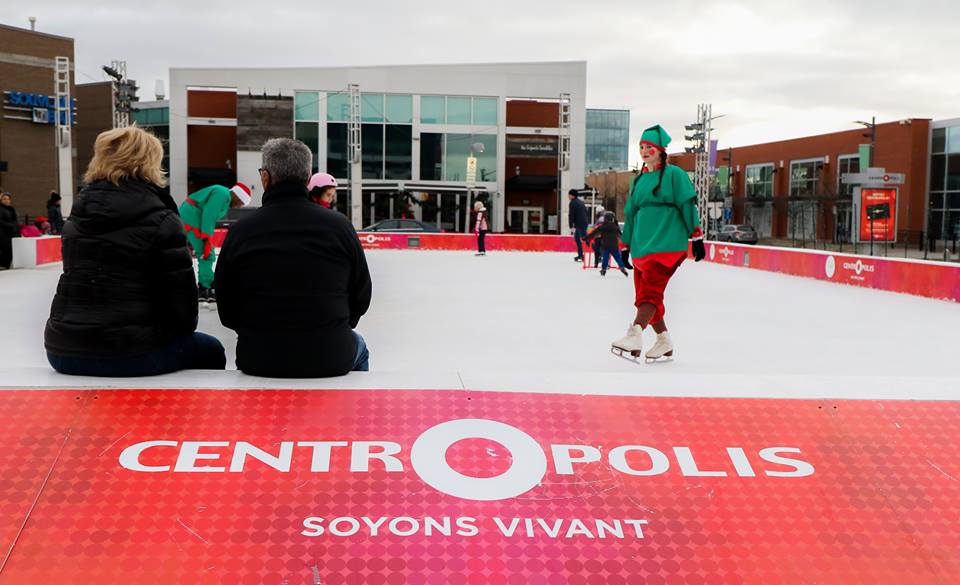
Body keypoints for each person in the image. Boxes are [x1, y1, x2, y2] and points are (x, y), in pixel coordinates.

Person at [44, 126, 226, 376]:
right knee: (212, 350)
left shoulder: (76, 218)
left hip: (63, 349)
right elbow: (183, 311)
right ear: (150, 162)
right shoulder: (161, 219)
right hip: (130, 352)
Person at [215, 138, 372, 378]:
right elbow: (361, 294)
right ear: (308, 179)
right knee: (359, 347)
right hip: (330, 355)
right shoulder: (339, 227)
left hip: (258, 357)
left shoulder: (242, 231)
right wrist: (334, 327)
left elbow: (226, 305)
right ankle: (350, 412)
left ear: (265, 178)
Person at [611, 124, 706, 362]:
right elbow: (631, 214)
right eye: (641, 147)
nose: (644, 151)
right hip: (643, 246)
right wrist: (626, 246)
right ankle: (664, 340)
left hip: (668, 244)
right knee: (644, 295)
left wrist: (696, 236)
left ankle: (634, 334)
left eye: (649, 147)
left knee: (650, 294)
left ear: (660, 150)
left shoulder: (675, 175)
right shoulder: (638, 181)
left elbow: (687, 206)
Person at [179, 181, 252, 303]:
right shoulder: (222, 194)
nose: (240, 207)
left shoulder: (224, 197)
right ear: (238, 196)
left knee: (207, 252)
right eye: (242, 203)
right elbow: (209, 214)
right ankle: (205, 287)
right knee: (207, 253)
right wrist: (206, 238)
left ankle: (205, 284)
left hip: (192, 215)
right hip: (192, 216)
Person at [586, 211, 629, 277]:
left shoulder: (602, 227)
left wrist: (588, 238)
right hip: (614, 246)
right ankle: (622, 267)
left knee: (605, 258)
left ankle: (603, 269)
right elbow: (620, 235)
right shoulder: (616, 227)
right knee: (618, 258)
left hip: (605, 246)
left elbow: (595, 233)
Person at [568, 189, 589, 261]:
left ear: (572, 195)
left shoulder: (573, 203)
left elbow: (571, 215)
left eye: (569, 194)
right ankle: (580, 255)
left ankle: (598, 252)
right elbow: (586, 212)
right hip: (583, 222)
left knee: (586, 239)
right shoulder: (581, 202)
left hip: (580, 224)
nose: (568, 196)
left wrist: (571, 225)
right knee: (577, 238)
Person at [0, 193, 18, 269]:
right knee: (5, 250)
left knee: (10, 250)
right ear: (1, 200)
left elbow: (15, 220)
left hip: (11, 233)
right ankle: (2, 265)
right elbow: (0, 221)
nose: (6, 201)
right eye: (4, 199)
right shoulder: (1, 209)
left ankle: (6, 266)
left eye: (8, 199)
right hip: (3, 233)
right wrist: (10, 225)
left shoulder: (11, 209)